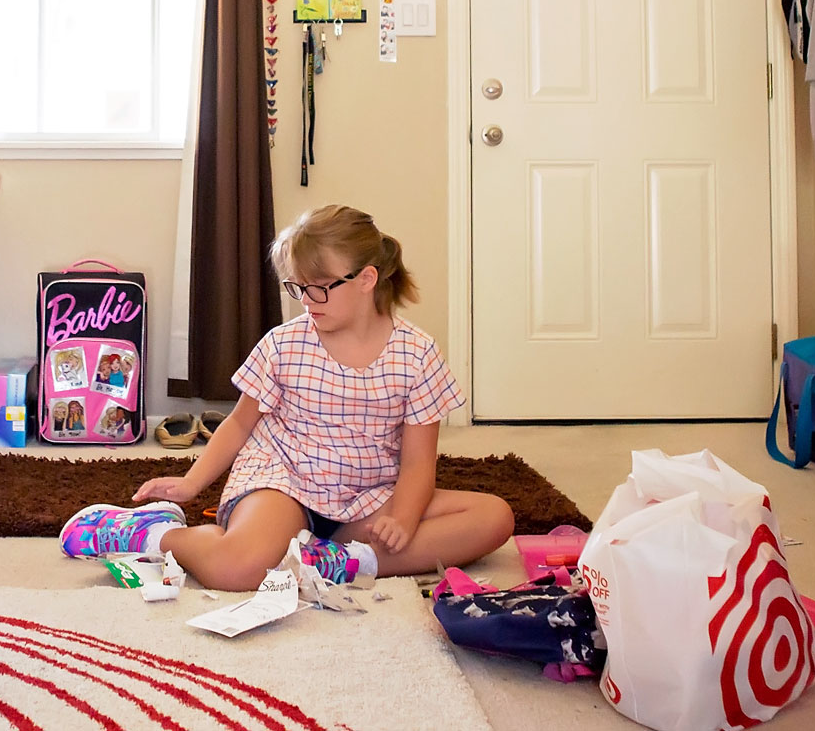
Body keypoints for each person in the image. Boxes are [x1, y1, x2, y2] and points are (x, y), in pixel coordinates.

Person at [58, 205, 513, 589]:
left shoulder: (417, 354)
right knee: (236, 568)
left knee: (494, 517)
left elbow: (418, 464)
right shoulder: (286, 342)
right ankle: (155, 534)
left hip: (368, 496)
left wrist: (405, 520)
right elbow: (238, 423)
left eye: (318, 288)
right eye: (296, 288)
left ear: (367, 279)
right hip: (285, 480)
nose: (306, 302)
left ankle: (334, 560)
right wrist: (191, 484)